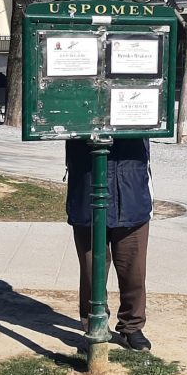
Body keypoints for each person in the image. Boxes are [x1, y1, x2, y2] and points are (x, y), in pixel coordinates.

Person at [65, 138, 153, 351]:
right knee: (91, 272)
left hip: (131, 193)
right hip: (87, 192)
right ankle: (93, 325)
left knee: (134, 269)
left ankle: (131, 326)